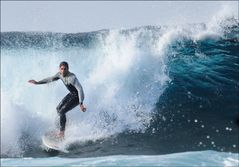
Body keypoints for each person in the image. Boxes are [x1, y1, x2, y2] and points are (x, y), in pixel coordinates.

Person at [28, 61, 86, 138]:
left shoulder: (72, 78)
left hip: (77, 97)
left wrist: (81, 103)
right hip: (72, 94)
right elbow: (50, 79)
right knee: (58, 109)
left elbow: (80, 89)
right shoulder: (59, 74)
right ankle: (64, 125)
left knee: (62, 111)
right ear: (59, 69)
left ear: (68, 69)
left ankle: (62, 133)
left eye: (65, 69)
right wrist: (37, 82)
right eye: (61, 69)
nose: (63, 71)